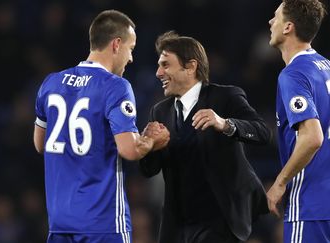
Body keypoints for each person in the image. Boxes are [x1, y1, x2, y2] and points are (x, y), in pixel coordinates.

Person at [33, 10, 169, 243]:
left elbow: (40, 144)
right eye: (131, 49)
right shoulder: (115, 86)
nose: (131, 58)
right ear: (116, 44)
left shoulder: (51, 82)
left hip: (60, 222)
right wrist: (152, 140)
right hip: (102, 223)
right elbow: (130, 150)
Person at [139, 31, 272, 243]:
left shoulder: (226, 97)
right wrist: (148, 144)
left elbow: (263, 132)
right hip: (179, 228)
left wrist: (225, 124)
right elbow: (149, 170)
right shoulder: (160, 111)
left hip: (220, 222)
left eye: (165, 65)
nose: (158, 73)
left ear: (191, 66)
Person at [266, 1, 330, 242]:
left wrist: (280, 183)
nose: (271, 22)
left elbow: (312, 137)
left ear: (288, 27)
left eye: (276, 17)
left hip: (310, 207)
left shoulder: (293, 74)